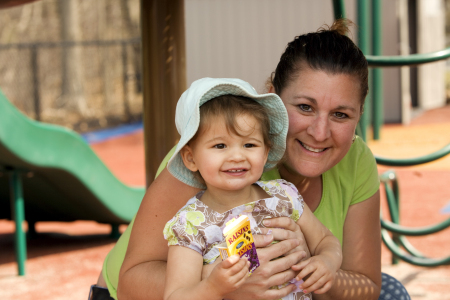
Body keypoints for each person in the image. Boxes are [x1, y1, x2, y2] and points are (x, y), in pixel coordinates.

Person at [91, 19, 411, 300]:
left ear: (359, 117)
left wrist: (315, 269)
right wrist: (227, 285)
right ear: (272, 97)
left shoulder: (324, 175)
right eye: (304, 107)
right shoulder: (216, 161)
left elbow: (366, 285)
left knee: (391, 293)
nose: (320, 131)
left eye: (341, 114)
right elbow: (132, 283)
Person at [162, 78, 343, 300]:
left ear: (265, 152)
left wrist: (327, 260)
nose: (237, 156)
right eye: (220, 146)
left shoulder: (284, 195)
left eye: (249, 145)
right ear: (191, 158)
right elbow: (175, 296)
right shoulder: (190, 224)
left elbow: (325, 239)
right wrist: (213, 288)